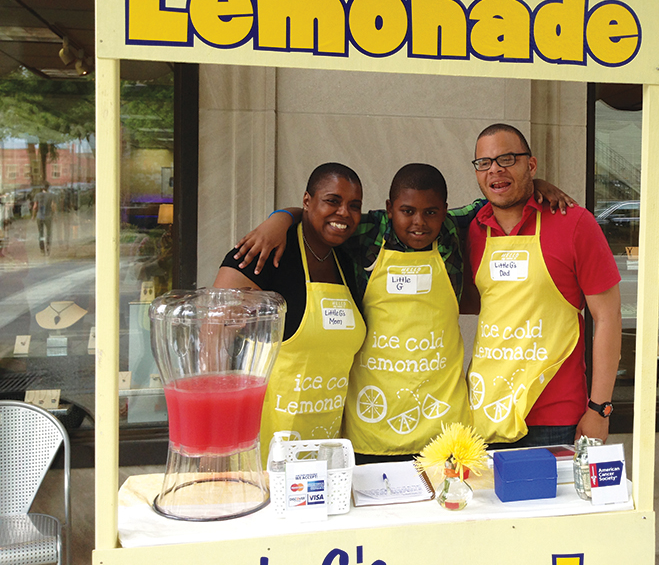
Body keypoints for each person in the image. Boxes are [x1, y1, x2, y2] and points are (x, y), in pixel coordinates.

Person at [233, 165, 575, 460]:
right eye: (407, 211)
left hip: (445, 427)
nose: (419, 223)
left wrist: (536, 186)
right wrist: (281, 218)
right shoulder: (366, 233)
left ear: (444, 210)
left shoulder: (454, 229)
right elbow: (325, 216)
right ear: (388, 209)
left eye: (431, 213)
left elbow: (499, 196)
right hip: (372, 427)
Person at [464, 123, 622, 447]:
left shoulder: (575, 223)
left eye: (507, 159)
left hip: (555, 419)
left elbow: (608, 318)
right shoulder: (472, 228)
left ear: (531, 165)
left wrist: (600, 408)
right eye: (485, 163)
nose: (495, 170)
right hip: (484, 412)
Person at [214, 163, 367, 453]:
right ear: (307, 201)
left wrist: (284, 216)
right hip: (263, 443)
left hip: (327, 442)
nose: (344, 213)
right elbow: (212, 334)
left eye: (354, 205)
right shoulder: (265, 254)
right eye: (332, 201)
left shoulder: (346, 262)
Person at [32, 183, 55, 255]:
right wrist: (54, 215)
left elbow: (35, 207)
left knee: (41, 233)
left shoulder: (37, 195)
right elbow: (53, 206)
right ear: (48, 188)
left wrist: (33, 216)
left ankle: (42, 249)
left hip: (39, 216)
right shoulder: (51, 195)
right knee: (49, 232)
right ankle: (48, 246)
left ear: (42, 188)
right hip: (48, 216)